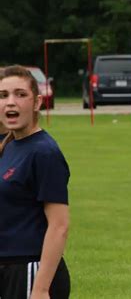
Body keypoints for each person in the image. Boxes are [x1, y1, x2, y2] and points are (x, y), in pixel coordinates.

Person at [0, 65, 70, 298]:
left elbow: (59, 226)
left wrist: (40, 289)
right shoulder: (10, 145)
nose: (10, 102)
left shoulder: (44, 152)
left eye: (20, 94)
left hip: (30, 269)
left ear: (37, 102)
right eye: (3, 95)